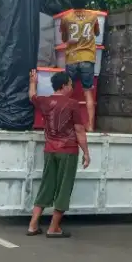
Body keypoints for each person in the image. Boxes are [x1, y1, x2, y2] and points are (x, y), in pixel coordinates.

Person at [27, 69, 91, 238]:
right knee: (63, 189)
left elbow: (32, 96)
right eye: (70, 84)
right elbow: (79, 131)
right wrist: (86, 153)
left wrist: (33, 81)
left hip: (50, 150)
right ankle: (53, 227)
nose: (72, 87)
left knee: (46, 186)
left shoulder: (45, 102)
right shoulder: (72, 104)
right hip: (67, 151)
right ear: (63, 86)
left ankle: (33, 225)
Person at [59, 9, 100, 131]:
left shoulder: (66, 18)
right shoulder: (93, 16)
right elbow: (97, 33)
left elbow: (64, 38)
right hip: (87, 58)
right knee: (88, 92)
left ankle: (64, 123)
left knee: (67, 91)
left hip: (72, 58)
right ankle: (91, 126)